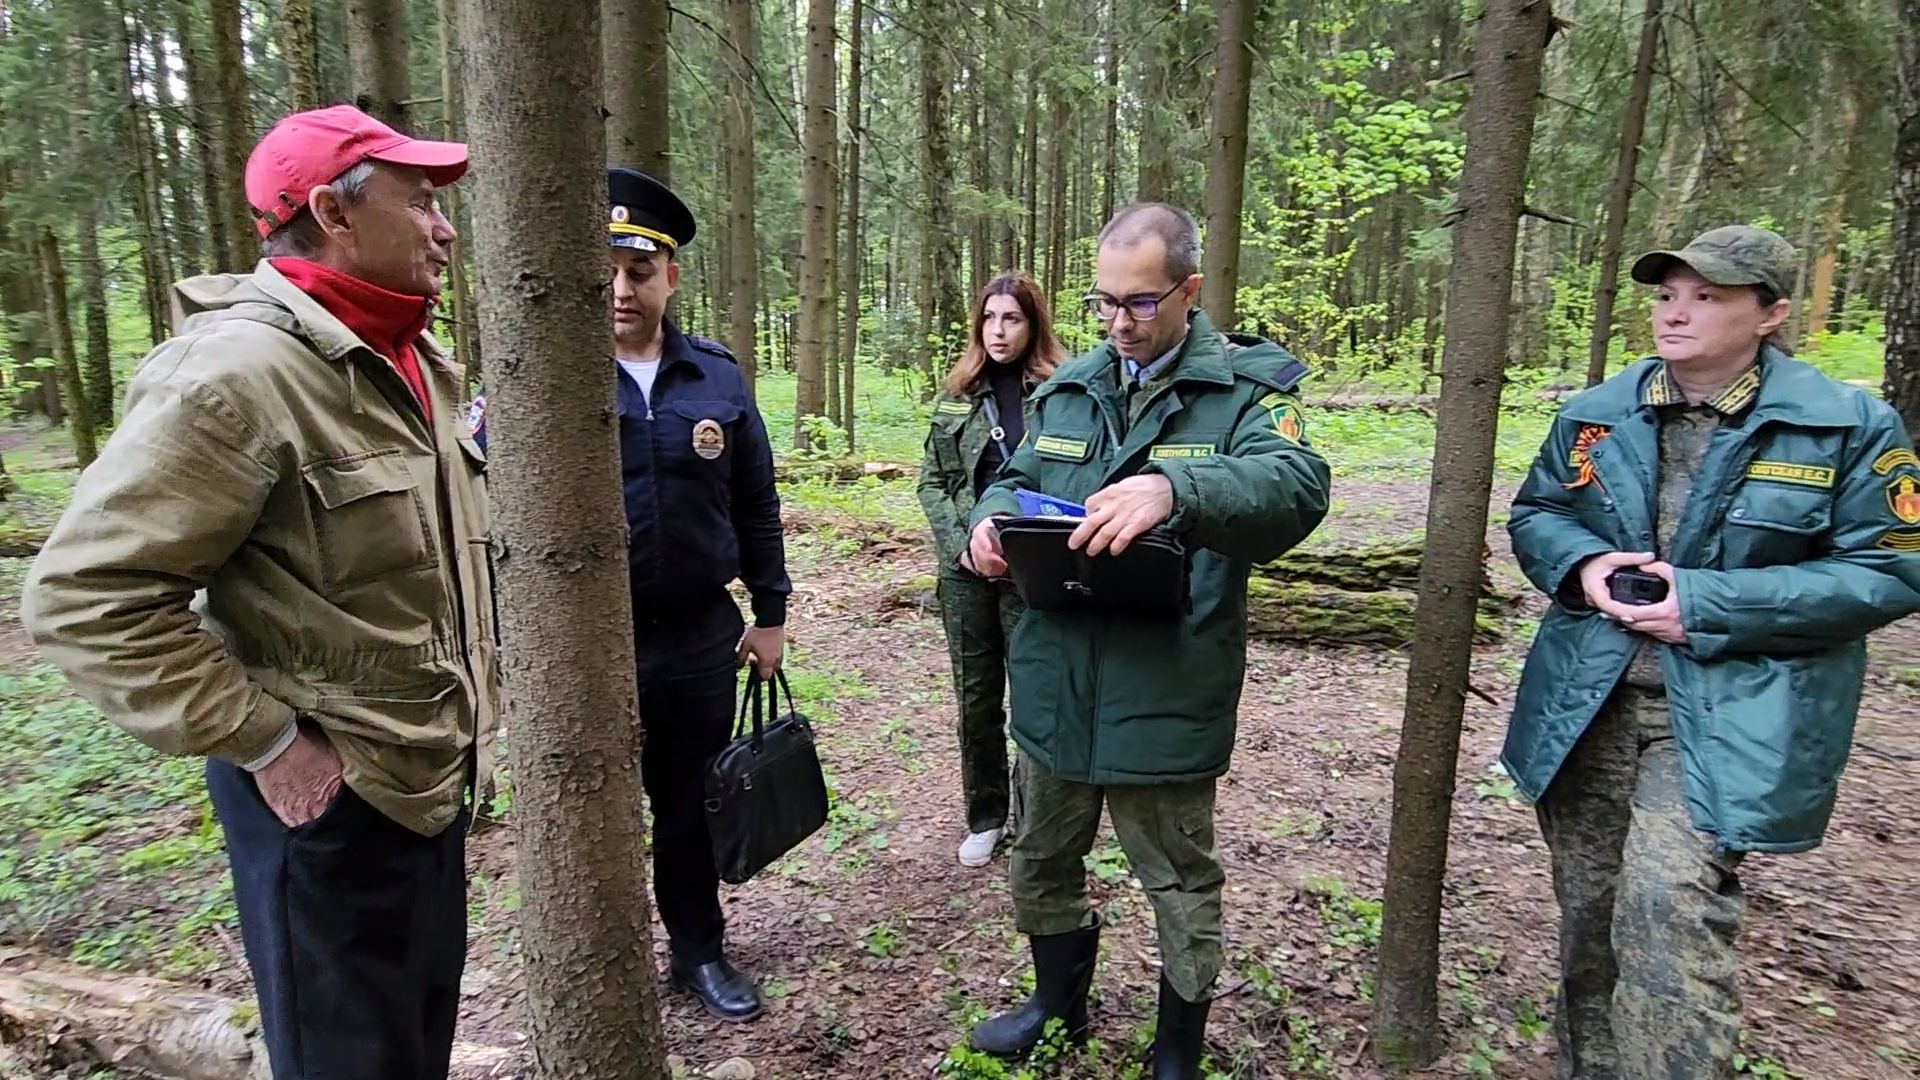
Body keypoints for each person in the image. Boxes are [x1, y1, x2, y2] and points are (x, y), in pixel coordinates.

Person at [21, 104, 495, 1078]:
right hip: (327, 811)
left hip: (423, 789)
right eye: (419, 202)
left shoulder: (411, 360)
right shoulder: (233, 376)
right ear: (334, 213)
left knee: (413, 1054)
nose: (444, 227)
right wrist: (270, 744)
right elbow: (84, 597)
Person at [1502, 225, 1920, 1078]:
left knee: (1668, 914)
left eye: (1708, 297)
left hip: (1732, 710)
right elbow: (1539, 511)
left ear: (1770, 314)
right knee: (1590, 920)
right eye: (1667, 296)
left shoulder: (1845, 425)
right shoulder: (1597, 413)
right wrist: (1583, 565)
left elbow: (1891, 569)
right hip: (1590, 702)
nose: (1676, 313)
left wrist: (1705, 603)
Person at [961, 204, 1332, 1078]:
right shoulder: (1075, 383)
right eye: (1103, 301)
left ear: (1189, 290)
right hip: (1057, 676)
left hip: (1167, 682)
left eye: (1139, 302)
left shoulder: (1243, 391)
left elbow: (1297, 486)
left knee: (1178, 878)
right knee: (1041, 855)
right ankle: (1055, 1004)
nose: (1118, 322)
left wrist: (1178, 489)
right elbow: (1016, 476)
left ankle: (1176, 1051)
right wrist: (989, 521)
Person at [476, 167, 790, 1022]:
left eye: (639, 271)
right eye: (606, 271)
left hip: (696, 637)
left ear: (670, 278)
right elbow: (489, 507)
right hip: (583, 640)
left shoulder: (715, 379)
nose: (621, 288)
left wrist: (770, 614)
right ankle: (595, 963)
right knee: (586, 811)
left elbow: (756, 503)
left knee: (688, 805)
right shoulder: (542, 378)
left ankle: (697, 950)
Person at [917, 271, 1066, 869]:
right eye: (989, 318)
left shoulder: (1060, 394)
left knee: (1035, 698)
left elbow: (1070, 481)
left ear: (1034, 325)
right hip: (964, 574)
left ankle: (1034, 816)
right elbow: (932, 481)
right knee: (976, 701)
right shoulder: (958, 393)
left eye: (1013, 318)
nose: (999, 331)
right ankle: (986, 815)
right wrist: (961, 546)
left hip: (1032, 570)